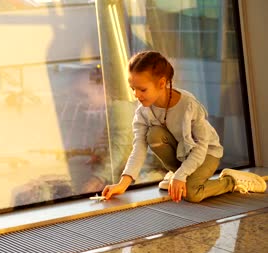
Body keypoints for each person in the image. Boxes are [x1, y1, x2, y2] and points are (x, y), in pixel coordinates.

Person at [102, 51, 267, 203]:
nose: (136, 95)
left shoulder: (189, 105)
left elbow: (202, 145)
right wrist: (123, 184)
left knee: (192, 194)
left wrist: (181, 176)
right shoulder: (143, 112)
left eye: (142, 89)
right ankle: (181, 176)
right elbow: (139, 147)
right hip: (182, 155)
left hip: (207, 152)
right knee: (154, 135)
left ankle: (231, 181)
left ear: (161, 83)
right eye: (133, 89)